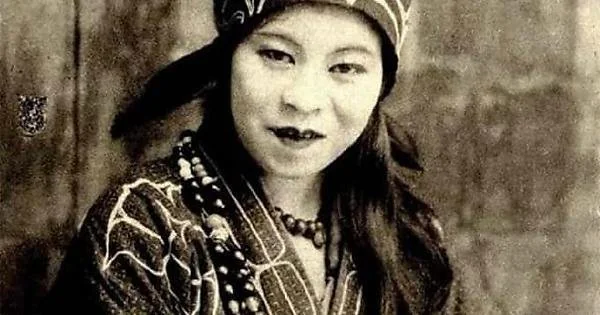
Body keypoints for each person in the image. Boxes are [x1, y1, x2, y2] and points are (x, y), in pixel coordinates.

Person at [46, 0, 460, 313]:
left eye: (346, 67)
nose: (304, 99)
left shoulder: (412, 234)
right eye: (276, 55)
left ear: (381, 85)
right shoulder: (143, 225)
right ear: (228, 61)